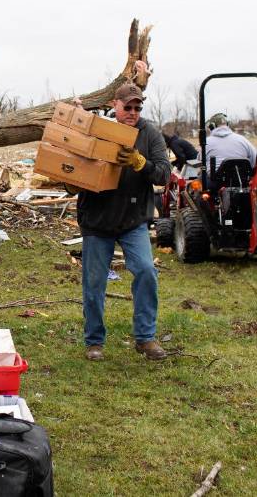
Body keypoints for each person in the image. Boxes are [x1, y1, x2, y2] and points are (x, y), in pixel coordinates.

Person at [73, 82, 171, 361]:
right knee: (94, 283)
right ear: (114, 105)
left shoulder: (148, 133)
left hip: (132, 219)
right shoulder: (98, 128)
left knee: (146, 271)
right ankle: (94, 341)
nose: (132, 112)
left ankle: (145, 338)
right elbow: (73, 161)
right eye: (127, 107)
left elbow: (164, 174)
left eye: (138, 107)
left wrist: (140, 163)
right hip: (97, 219)